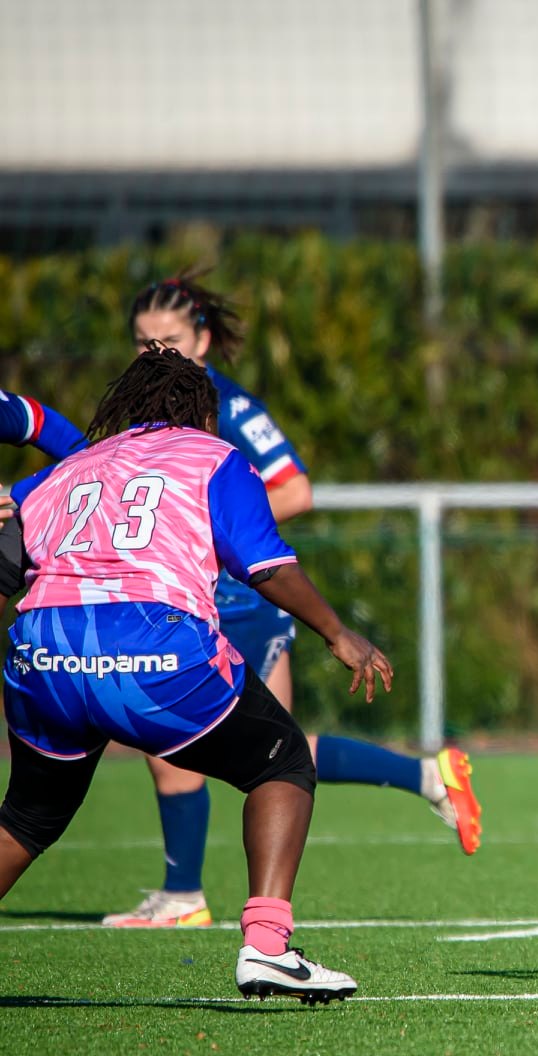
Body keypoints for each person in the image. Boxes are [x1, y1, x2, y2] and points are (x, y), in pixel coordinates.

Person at [0, 345, 392, 1000]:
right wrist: (339, 632)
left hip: (42, 655)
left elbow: (8, 568)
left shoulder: (64, 473)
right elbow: (264, 565)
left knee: (28, 816)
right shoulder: (215, 458)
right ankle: (268, 947)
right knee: (283, 761)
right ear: (201, 414)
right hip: (157, 656)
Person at [101, 276, 482, 930]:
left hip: (235, 602)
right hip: (211, 598)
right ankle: (426, 776)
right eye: (142, 342)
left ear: (203, 340)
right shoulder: (153, 406)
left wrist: (210, 530)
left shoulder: (231, 406)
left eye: (167, 341)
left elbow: (296, 490)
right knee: (276, 750)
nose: (152, 352)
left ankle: (183, 894)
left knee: (176, 738)